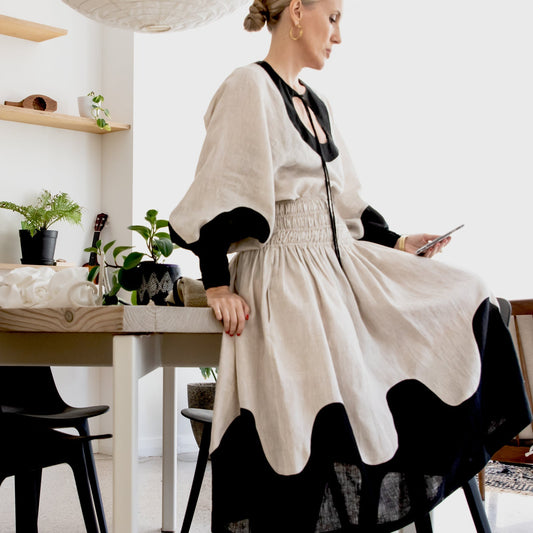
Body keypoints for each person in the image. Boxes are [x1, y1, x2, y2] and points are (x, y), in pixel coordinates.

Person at [169, 1, 531, 531]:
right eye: (334, 17)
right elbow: (220, 188)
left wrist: (399, 242)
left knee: (466, 290)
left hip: (337, 263)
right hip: (286, 274)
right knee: (304, 427)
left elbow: (345, 205)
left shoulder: (316, 103)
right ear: (297, 11)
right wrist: (218, 284)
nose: (338, 35)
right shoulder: (248, 86)